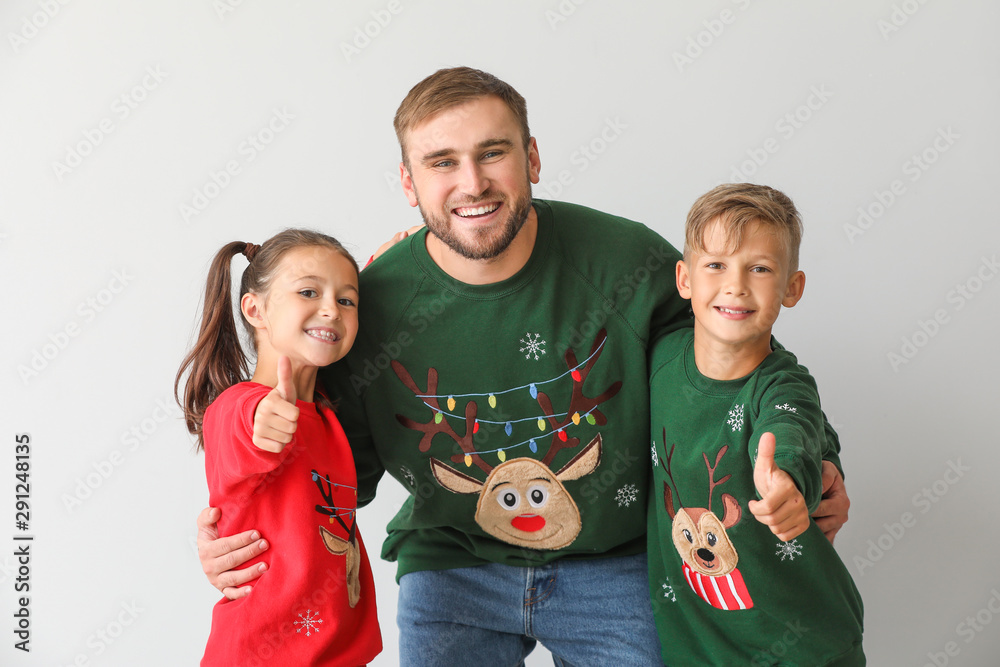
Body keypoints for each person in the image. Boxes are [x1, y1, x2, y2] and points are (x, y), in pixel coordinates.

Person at [195, 68, 852, 665]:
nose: (472, 183)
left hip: (613, 561)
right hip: (453, 567)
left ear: (531, 157)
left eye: (493, 153)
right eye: (441, 162)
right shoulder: (370, 304)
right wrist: (239, 524)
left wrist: (816, 460)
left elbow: (737, 370)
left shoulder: (626, 263)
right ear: (408, 182)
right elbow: (331, 472)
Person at [647, 184, 864, 665]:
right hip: (697, 647)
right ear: (684, 278)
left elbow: (795, 433)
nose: (736, 285)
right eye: (716, 265)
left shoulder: (784, 385)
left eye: (760, 268)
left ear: (792, 287)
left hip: (803, 648)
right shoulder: (659, 360)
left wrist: (790, 484)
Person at [176, 230, 382, 666]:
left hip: (337, 652)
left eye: (347, 300)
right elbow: (247, 429)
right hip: (264, 653)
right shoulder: (238, 407)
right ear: (255, 309)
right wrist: (263, 420)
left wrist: (388, 270)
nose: (331, 309)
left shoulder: (326, 417)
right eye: (309, 291)